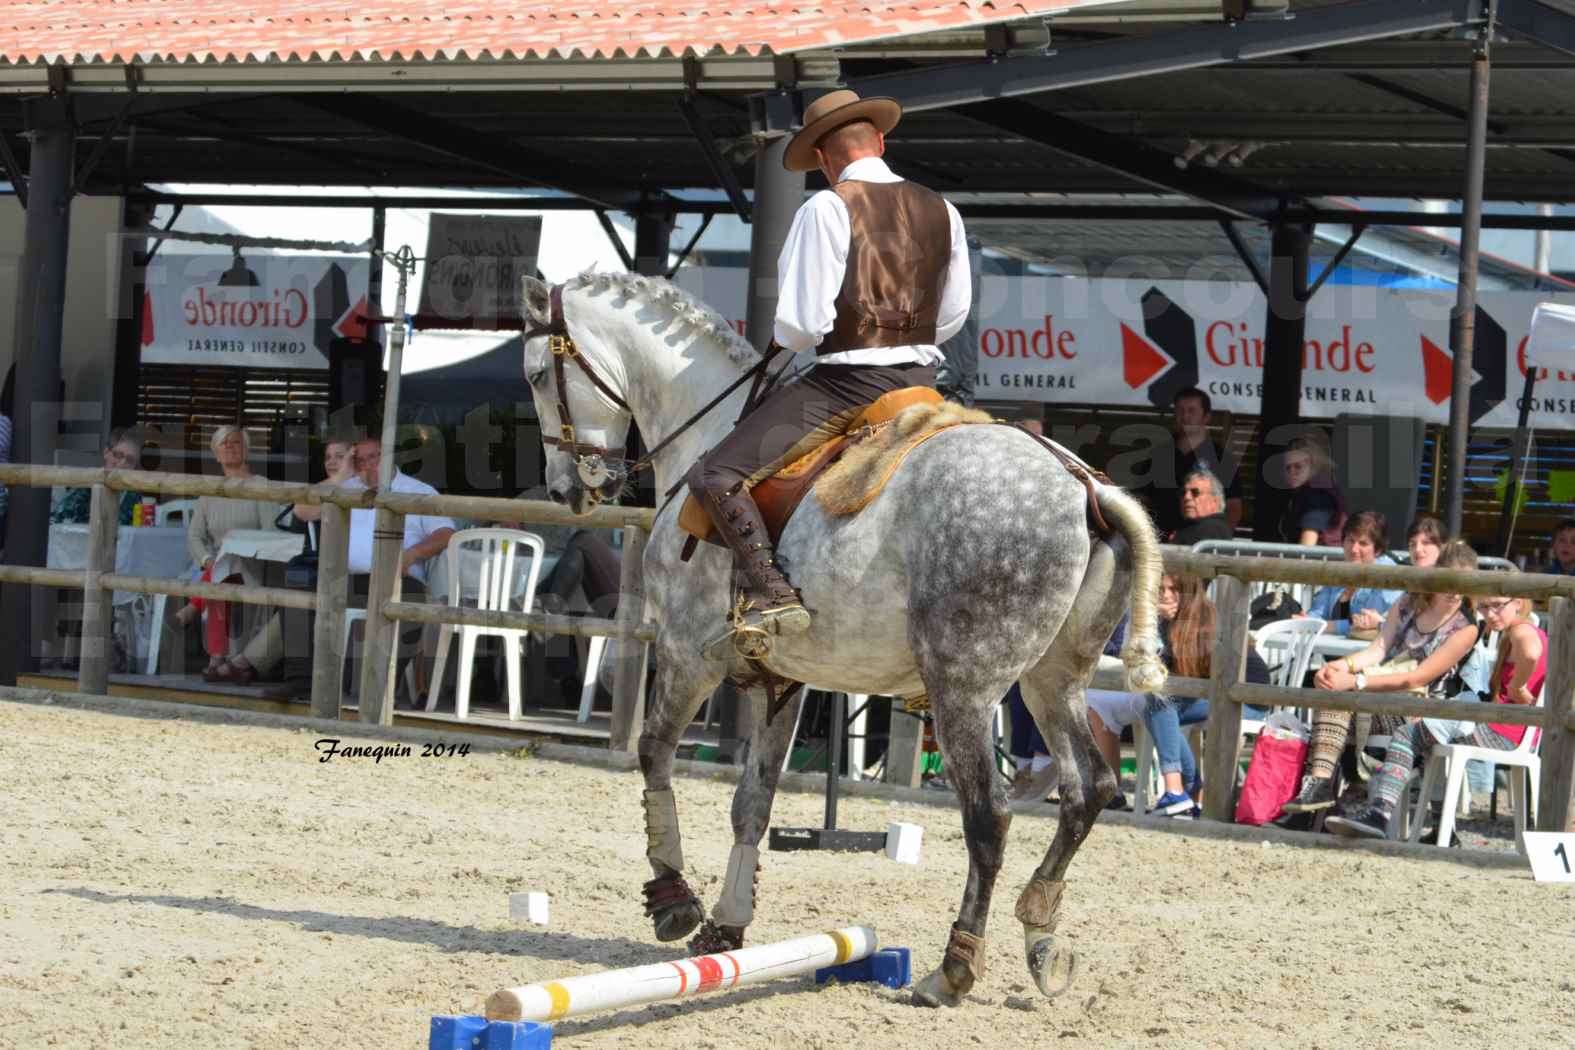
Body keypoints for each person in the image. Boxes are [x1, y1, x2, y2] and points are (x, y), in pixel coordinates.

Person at [682, 88, 970, 656]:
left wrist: (794, 339)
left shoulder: (826, 207)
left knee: (716, 475)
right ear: (881, 142)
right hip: (923, 384)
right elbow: (954, 312)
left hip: (847, 385)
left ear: (820, 157)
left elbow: (799, 325)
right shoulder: (944, 208)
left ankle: (772, 594)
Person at [1327, 587, 1545, 839]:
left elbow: (1530, 653)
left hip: (1504, 732)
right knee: (1430, 735)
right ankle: (1443, 831)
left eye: (1497, 605)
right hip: (1513, 731)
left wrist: (1518, 686)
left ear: (1517, 602)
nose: (1490, 614)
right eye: (1484, 607)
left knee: (1408, 735)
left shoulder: (1521, 629)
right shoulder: (1525, 630)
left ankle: (1380, 814)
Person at [1281, 540, 1481, 815]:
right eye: (1450, 581)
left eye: (1465, 584)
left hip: (1419, 711)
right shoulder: (1409, 601)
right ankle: (1324, 785)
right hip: (1381, 695)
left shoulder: (1465, 627)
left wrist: (1355, 681)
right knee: (1332, 689)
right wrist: (1340, 667)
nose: (1456, 592)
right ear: (1437, 574)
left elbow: (1417, 679)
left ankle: (1322, 786)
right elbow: (1378, 649)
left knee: (1338, 697)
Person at [1141, 574, 1271, 817]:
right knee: (1155, 703)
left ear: (1188, 591)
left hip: (1248, 699)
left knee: (1159, 701)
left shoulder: (1204, 621)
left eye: (1174, 589)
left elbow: (1179, 670)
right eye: (1160, 588)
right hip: (1210, 693)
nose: (1166, 595)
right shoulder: (1168, 620)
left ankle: (1180, 791)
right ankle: (1185, 793)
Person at [185, 425, 284, 683]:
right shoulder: (209, 490)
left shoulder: (261, 486)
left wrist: (239, 547)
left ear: (246, 451)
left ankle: (215, 654)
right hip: (217, 564)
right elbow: (195, 536)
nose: (229, 446)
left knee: (227, 564)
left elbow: (271, 533)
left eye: (236, 442)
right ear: (216, 454)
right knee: (220, 567)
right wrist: (206, 560)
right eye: (223, 443)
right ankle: (223, 658)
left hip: (254, 563)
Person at [1147, 388, 1242, 536]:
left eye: (1191, 411)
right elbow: (1141, 498)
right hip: (1159, 545)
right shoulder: (1159, 455)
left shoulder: (1221, 458)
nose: (1185, 416)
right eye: (1180, 410)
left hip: (1201, 548)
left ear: (1206, 417)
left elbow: (1233, 507)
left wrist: (1219, 540)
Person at [1300, 511, 1403, 637]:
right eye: (1350, 540)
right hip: (1337, 650)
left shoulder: (1389, 576)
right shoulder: (1338, 572)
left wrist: (1324, 626)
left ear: (1378, 550)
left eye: (1363, 543)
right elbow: (1317, 613)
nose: (1354, 549)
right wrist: (1304, 621)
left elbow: (1365, 624)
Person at [50, 428, 146, 525]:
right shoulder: (88, 484)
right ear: (106, 453)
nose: (122, 463)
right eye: (118, 455)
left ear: (135, 465)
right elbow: (56, 520)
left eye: (130, 460)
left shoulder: (134, 497)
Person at [1277, 433, 1345, 546]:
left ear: (1314, 466)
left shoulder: (1317, 497)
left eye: (1298, 466)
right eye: (1287, 467)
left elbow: (1306, 547)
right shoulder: (1306, 492)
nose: (1291, 472)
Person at [1168, 469, 1233, 545]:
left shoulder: (1212, 528)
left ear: (1215, 501)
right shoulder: (1193, 526)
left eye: (1195, 492)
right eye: (1183, 493)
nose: (1187, 497)